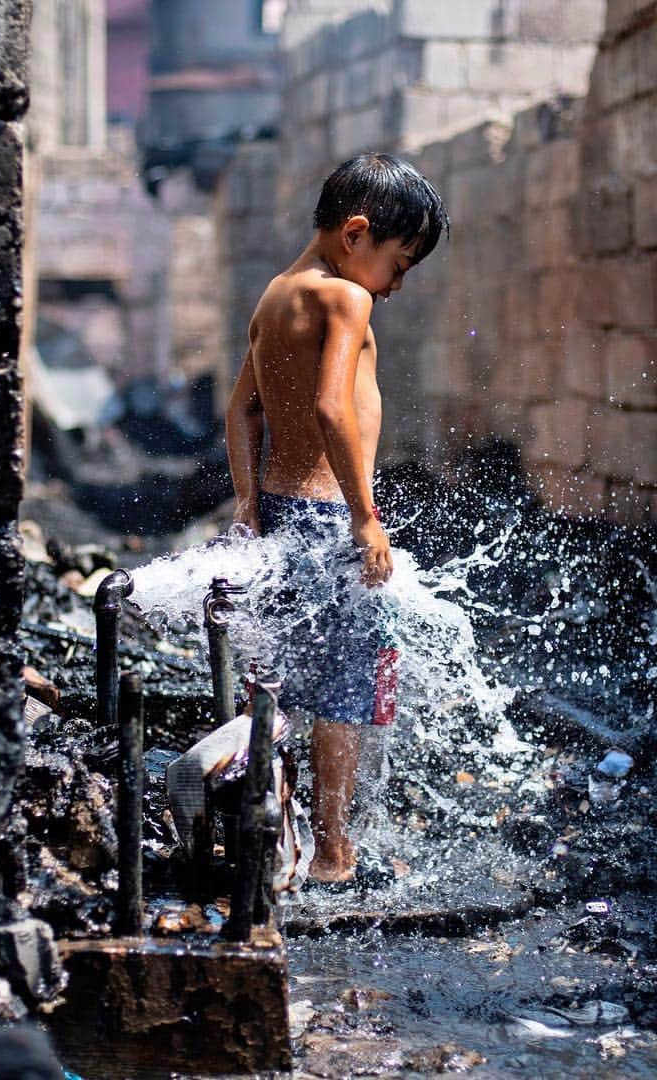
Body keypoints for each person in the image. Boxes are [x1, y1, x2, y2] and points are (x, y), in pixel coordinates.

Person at [224, 153, 449, 883]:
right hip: (329, 519)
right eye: (399, 262)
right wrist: (366, 518)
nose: (399, 284)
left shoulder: (273, 294)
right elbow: (330, 409)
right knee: (345, 692)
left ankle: (275, 841)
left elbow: (241, 411)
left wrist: (249, 501)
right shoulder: (344, 301)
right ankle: (331, 852)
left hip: (285, 514)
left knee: (283, 677)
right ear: (355, 234)